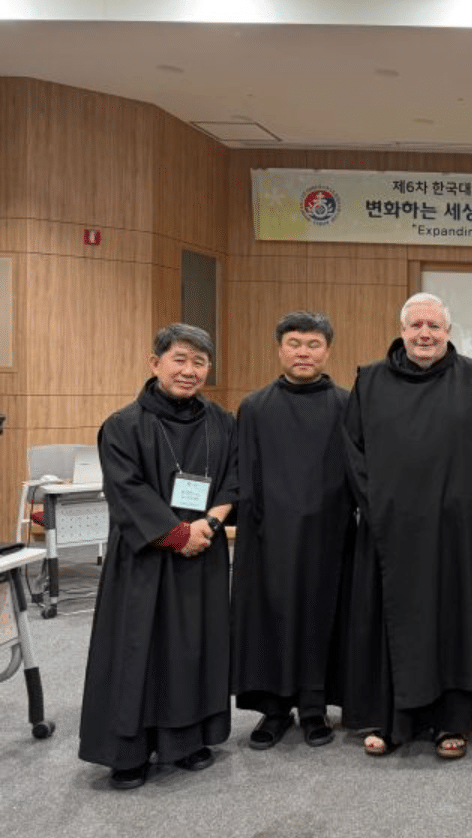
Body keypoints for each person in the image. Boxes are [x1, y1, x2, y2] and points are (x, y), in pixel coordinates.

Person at [340, 292, 472, 760]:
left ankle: (451, 721)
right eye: (416, 326)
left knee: (453, 621)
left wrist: (466, 505)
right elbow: (354, 451)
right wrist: (379, 505)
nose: (425, 334)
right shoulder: (370, 380)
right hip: (390, 527)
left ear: (448, 331)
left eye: (434, 326)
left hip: (456, 531)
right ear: (402, 330)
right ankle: (393, 721)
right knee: (394, 621)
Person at [79, 324, 237, 789]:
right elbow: (126, 491)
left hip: (203, 553)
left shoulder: (223, 422)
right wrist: (175, 535)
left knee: (194, 650)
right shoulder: (123, 425)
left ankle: (187, 741)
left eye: (200, 362)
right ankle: (128, 752)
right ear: (156, 363)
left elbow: (235, 477)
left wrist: (208, 524)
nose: (190, 371)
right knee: (138, 651)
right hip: (146, 561)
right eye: (180, 359)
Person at [230, 311, 354, 750]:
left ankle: (316, 705)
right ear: (280, 348)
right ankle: (274, 707)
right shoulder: (255, 406)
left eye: (313, 344)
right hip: (268, 536)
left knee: (323, 615)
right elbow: (243, 473)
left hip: (330, 534)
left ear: (327, 350)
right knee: (270, 617)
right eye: (295, 343)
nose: (304, 352)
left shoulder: (347, 404)